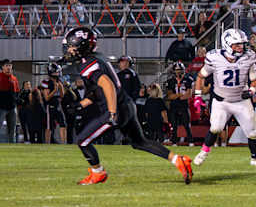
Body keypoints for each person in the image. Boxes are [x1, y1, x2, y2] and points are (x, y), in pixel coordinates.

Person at [63, 27, 193, 185]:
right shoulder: (98, 58)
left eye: (72, 45)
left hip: (116, 108)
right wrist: (81, 105)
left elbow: (108, 85)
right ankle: (178, 160)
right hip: (126, 105)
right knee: (140, 142)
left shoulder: (88, 63)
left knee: (83, 140)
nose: (69, 49)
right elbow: (98, 91)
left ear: (82, 46)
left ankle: (98, 172)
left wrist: (111, 113)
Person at [192, 28, 256, 168]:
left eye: (242, 44)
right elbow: (201, 76)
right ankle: (203, 152)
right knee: (216, 128)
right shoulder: (214, 57)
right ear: (227, 44)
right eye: (237, 44)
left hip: (241, 100)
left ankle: (255, 158)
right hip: (221, 101)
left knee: (253, 132)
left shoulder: (248, 57)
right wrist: (197, 96)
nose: (241, 47)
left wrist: (252, 90)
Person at [163, 62, 194, 145]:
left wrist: (176, 96)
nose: (178, 72)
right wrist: (180, 95)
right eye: (176, 70)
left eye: (179, 70)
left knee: (186, 124)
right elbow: (169, 96)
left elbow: (188, 94)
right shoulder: (170, 81)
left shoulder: (188, 79)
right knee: (174, 124)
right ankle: (174, 141)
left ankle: (190, 141)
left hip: (184, 104)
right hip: (174, 105)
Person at [0, 59, 18, 143]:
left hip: (12, 107)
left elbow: (17, 92)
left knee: (12, 129)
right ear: (2, 67)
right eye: (6, 65)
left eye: (10, 65)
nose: (8, 67)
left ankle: (12, 146)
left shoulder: (14, 79)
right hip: (1, 107)